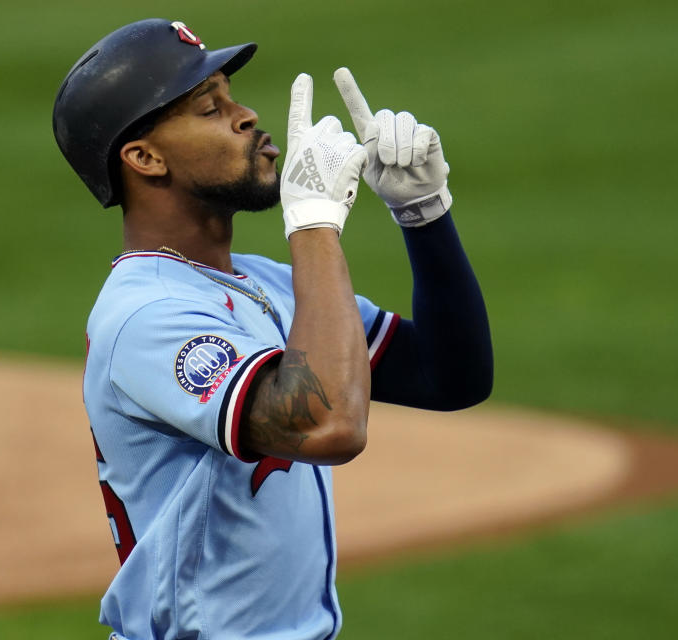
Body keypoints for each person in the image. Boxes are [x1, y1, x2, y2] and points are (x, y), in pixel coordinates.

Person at [52, 18, 492, 640]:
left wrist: (423, 214)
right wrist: (313, 222)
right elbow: (328, 424)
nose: (246, 115)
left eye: (232, 97)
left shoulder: (269, 283)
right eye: (211, 109)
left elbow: (449, 377)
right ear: (144, 158)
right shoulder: (145, 315)